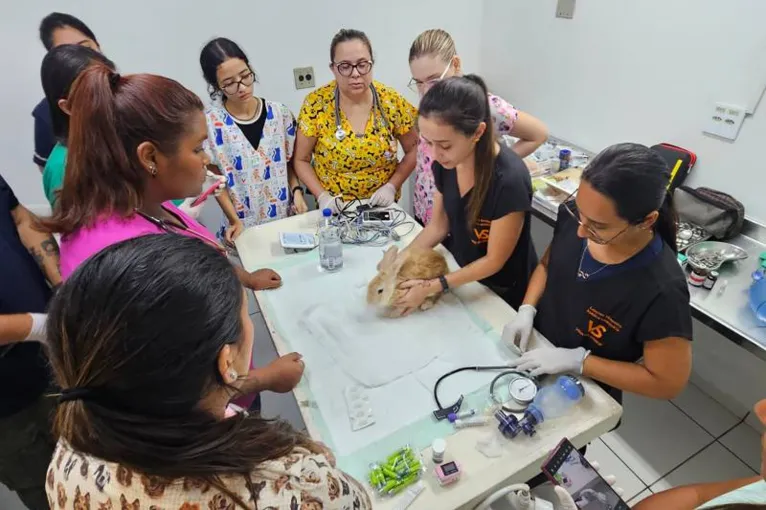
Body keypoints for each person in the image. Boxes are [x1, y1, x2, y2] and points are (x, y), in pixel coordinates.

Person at [44, 234, 372, 510]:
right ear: (226, 362)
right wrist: (315, 467)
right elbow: (358, 502)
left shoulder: (70, 449)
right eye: (244, 314)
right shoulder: (286, 486)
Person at [43, 63, 302, 403]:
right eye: (197, 148)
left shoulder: (142, 203)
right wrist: (264, 379)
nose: (207, 159)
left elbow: (199, 251)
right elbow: (173, 397)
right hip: (205, 421)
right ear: (149, 157)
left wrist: (246, 278)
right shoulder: (131, 260)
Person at [504, 143, 693, 403]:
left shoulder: (662, 289)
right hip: (535, 351)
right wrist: (527, 309)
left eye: (599, 226)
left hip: (581, 389)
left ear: (647, 220)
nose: (581, 231)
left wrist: (579, 361)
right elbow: (548, 265)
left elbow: (665, 383)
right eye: (580, 213)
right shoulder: (578, 220)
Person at [396, 75, 537, 312]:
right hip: (464, 278)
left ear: (478, 132)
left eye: (445, 145)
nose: (435, 153)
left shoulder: (509, 180)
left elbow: (495, 260)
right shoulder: (445, 165)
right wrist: (400, 262)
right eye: (428, 142)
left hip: (503, 292)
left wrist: (434, 285)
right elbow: (437, 227)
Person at [408, 28, 548, 225]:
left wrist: (493, 168)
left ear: (455, 64)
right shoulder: (431, 102)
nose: (425, 90)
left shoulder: (484, 105)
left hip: (459, 216)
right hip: (427, 208)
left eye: (433, 80)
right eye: (418, 83)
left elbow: (538, 134)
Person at [294, 28, 418, 212]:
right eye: (345, 66)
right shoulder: (316, 105)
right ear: (333, 69)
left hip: (381, 207)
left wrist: (392, 186)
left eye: (362, 64)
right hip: (335, 207)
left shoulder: (391, 101)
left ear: (371, 64)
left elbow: (415, 148)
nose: (355, 73)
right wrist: (322, 196)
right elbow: (301, 160)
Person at [200, 37, 307, 243]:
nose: (241, 87)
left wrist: (297, 192)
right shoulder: (211, 126)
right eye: (229, 84)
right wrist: (234, 221)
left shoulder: (279, 114)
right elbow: (216, 183)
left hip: (284, 222)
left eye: (245, 76)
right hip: (243, 229)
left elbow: (288, 162)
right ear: (216, 86)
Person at [0, 174, 61, 510]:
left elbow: (21, 218)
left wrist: (61, 281)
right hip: (7, 407)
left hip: (49, 362)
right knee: (46, 488)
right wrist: (36, 326)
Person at [41, 44, 115, 206]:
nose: (113, 96)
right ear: (67, 106)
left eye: (113, 83)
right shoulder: (63, 167)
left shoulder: (115, 136)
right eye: (97, 92)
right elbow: (78, 229)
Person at [33, 12, 100, 171]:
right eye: (68, 52)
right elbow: (50, 174)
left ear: (97, 44)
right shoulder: (45, 115)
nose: (82, 57)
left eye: (85, 47)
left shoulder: (132, 92)